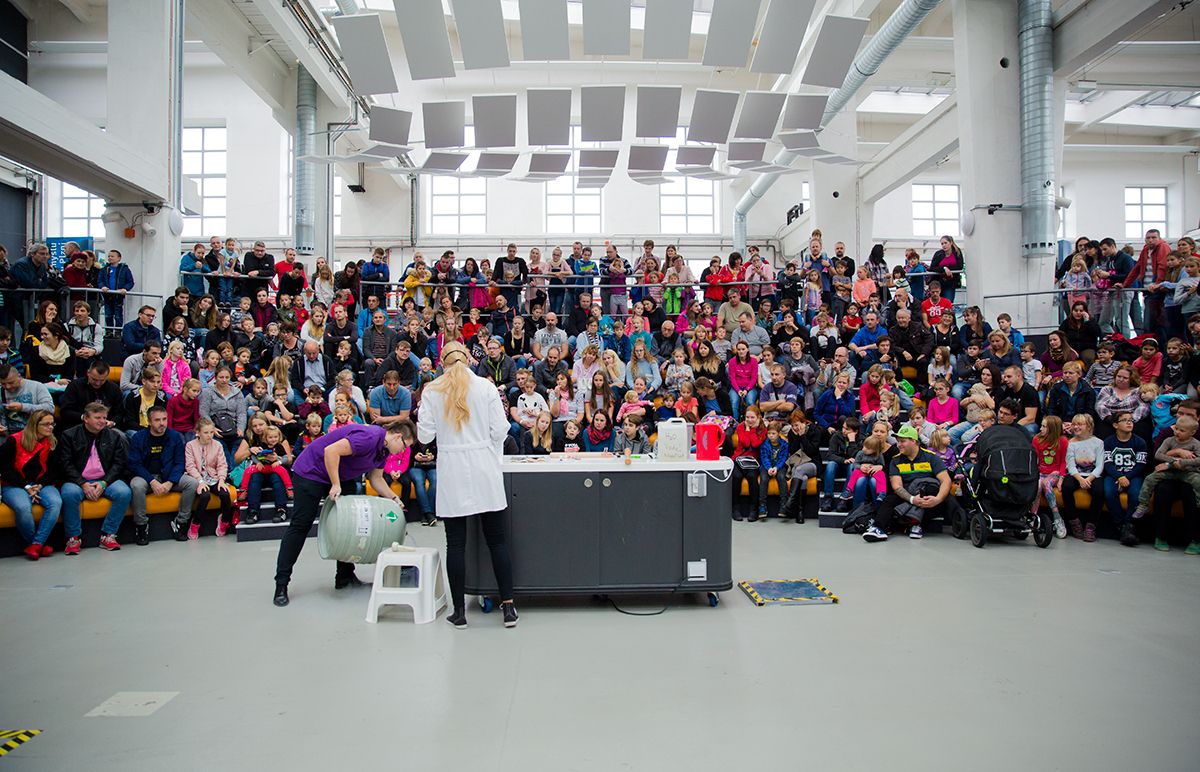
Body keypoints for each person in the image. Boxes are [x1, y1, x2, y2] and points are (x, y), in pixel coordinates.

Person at [415, 342, 517, 628]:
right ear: (469, 360)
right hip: (484, 465)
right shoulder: (485, 388)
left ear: (442, 363)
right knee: (496, 540)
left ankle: (459, 612)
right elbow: (501, 430)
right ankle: (508, 607)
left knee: (455, 544)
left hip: (452, 469)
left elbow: (424, 437)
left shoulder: (432, 391)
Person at [273, 419, 412, 607]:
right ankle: (281, 584)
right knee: (301, 525)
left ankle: (344, 576)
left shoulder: (383, 450)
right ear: (398, 436)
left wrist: (394, 498)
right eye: (405, 446)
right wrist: (336, 484)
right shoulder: (370, 437)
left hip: (339, 474)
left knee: (349, 525)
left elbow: (376, 478)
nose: (403, 451)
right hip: (311, 472)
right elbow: (331, 451)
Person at [58, 402, 133, 554]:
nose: (102, 421)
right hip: (77, 480)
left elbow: (119, 464)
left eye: (104, 418)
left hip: (105, 479)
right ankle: (73, 538)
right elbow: (65, 464)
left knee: (124, 492)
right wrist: (83, 484)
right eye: (97, 417)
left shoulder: (114, 435)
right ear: (85, 418)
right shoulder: (69, 435)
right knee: (69, 494)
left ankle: (108, 535)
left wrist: (104, 483)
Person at [862, 424, 955, 543]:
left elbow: (945, 480)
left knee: (941, 495)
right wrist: (912, 499)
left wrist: (937, 499)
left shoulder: (931, 457)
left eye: (902, 441)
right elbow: (897, 486)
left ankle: (918, 524)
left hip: (928, 493)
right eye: (898, 441)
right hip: (907, 494)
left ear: (914, 441)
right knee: (889, 500)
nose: (898, 444)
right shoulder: (895, 460)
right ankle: (878, 528)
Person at [128, 405, 196, 546]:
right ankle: (141, 526)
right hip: (146, 477)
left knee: (192, 483)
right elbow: (135, 464)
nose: (162, 423)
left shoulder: (175, 436)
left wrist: (170, 482)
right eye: (157, 420)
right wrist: (152, 481)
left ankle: (181, 522)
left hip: (168, 477)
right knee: (136, 485)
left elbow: (180, 463)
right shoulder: (138, 438)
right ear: (149, 421)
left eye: (164, 419)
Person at [0, 410, 62, 560]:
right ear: (34, 425)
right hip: (14, 484)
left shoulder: (52, 442)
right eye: (46, 424)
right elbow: (4, 468)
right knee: (23, 507)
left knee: (55, 502)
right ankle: (38, 544)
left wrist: (39, 486)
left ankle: (36, 544)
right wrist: (26, 487)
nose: (50, 427)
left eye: (52, 424)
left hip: (41, 484)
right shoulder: (14, 440)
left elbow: (55, 471)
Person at [1102, 411, 1148, 547]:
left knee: (1135, 494)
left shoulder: (1139, 442)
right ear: (1115, 425)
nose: (1129, 423)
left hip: (1133, 475)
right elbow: (1108, 463)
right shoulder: (1109, 442)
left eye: (1131, 420)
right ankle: (1120, 525)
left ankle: (1129, 525)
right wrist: (1120, 476)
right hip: (1114, 475)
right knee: (1109, 492)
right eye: (1125, 420)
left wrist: (1126, 477)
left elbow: (1141, 464)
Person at [1062, 414, 1106, 542]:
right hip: (1076, 474)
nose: (1076, 427)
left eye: (1080, 424)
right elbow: (1070, 465)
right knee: (1067, 487)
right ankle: (1074, 521)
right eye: (1074, 424)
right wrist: (1080, 479)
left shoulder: (1098, 442)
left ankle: (1091, 526)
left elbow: (1099, 466)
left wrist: (1089, 479)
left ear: (1089, 426)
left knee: (1099, 491)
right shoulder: (1071, 443)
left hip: (1093, 475)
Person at [729, 406, 767, 522]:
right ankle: (735, 508)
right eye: (747, 417)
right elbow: (745, 443)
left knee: (752, 477)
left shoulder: (763, 430)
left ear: (758, 417)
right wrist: (747, 428)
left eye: (752, 417)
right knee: (736, 477)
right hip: (739, 459)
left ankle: (753, 509)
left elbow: (755, 444)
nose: (749, 420)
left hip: (753, 461)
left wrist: (753, 430)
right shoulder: (740, 427)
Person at [0, 363, 54, 435]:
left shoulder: (37, 386)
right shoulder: (1, 391)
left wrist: (23, 407)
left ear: (19, 376)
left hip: (34, 432)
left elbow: (50, 409)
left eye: (11, 382)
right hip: (9, 433)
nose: (7, 387)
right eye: (3, 384)